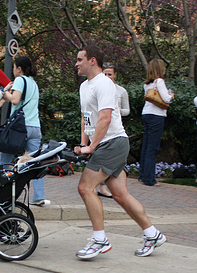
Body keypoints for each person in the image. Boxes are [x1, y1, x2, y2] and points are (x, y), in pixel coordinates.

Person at [73, 45, 166, 260]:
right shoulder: (84, 86)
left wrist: (92, 147)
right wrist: (83, 144)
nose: (76, 64)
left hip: (112, 142)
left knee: (85, 187)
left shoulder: (104, 84)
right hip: (106, 144)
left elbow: (105, 118)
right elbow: (86, 118)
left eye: (80, 59)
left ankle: (100, 240)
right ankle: (152, 234)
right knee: (120, 195)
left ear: (92, 60)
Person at [0, 56, 48, 206]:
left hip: (19, 128)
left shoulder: (20, 80)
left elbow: (15, 100)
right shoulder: (34, 83)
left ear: (19, 68)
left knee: (4, 161)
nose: (13, 70)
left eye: (14, 67)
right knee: (35, 163)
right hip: (35, 127)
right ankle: (38, 196)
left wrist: (4, 93)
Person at [97, 63, 130, 198]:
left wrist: (115, 110)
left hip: (115, 129)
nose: (107, 76)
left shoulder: (121, 91)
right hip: (101, 128)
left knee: (114, 160)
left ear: (115, 75)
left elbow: (127, 110)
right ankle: (101, 186)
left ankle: (109, 187)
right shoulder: (98, 88)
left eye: (110, 74)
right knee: (101, 158)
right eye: (105, 74)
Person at [139, 59, 174, 186]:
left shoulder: (147, 84)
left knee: (146, 145)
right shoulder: (159, 81)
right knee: (153, 147)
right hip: (156, 115)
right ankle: (149, 178)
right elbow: (166, 99)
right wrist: (171, 95)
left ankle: (143, 174)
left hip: (146, 113)